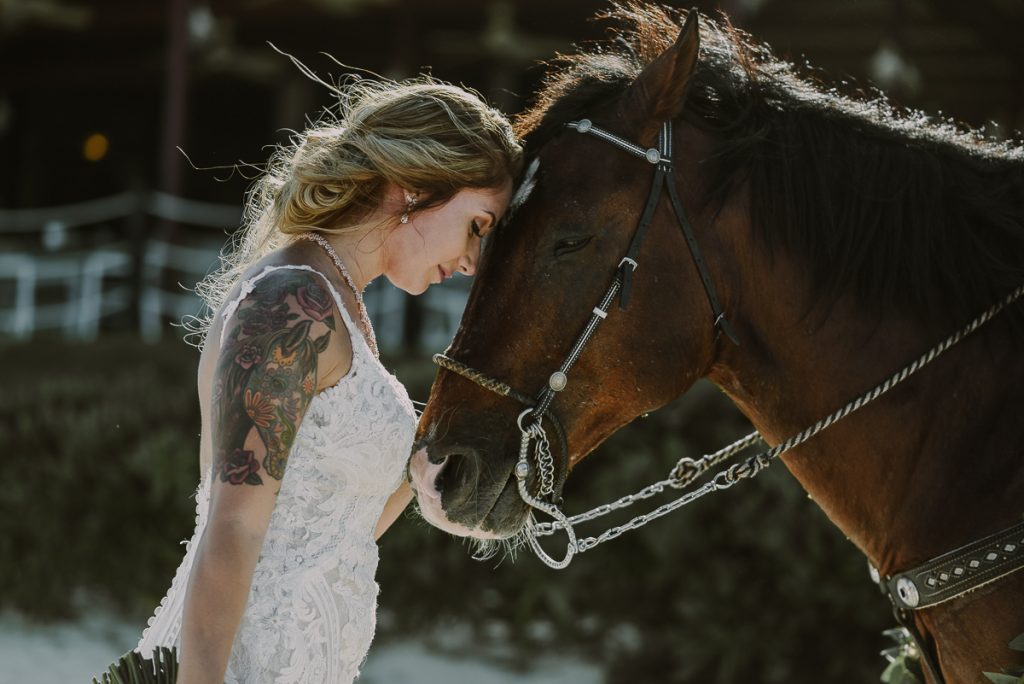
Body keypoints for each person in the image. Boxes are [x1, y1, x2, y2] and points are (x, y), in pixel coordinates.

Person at [133, 77, 521, 684]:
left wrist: (417, 482)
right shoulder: (291, 303)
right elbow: (233, 525)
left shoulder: (342, 306)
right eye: (477, 225)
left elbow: (329, 537)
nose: (474, 262)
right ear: (417, 187)